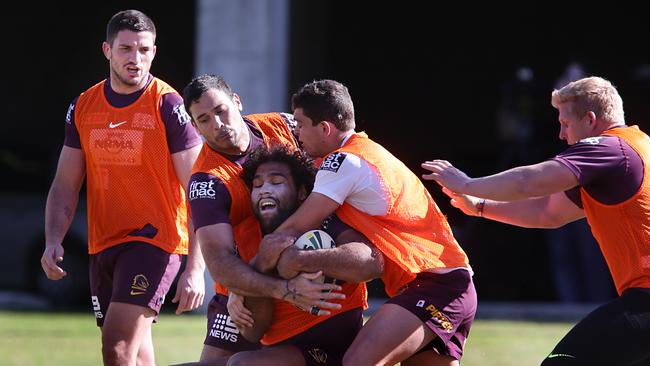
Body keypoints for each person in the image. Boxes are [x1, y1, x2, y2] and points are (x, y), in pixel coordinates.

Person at [421, 76, 650, 365]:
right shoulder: (635, 149)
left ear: (590, 120)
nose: (561, 135)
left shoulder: (608, 149)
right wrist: (480, 206)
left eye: (566, 123)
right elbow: (549, 212)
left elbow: (530, 181)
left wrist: (467, 183)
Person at [258, 79, 477, 366]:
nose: (295, 133)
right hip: (451, 285)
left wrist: (252, 281)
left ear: (325, 128)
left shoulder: (343, 162)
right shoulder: (363, 152)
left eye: (300, 124)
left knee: (357, 362)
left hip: (436, 285)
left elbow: (291, 229)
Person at [39, 9, 206, 366]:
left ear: (154, 52)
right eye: (127, 49)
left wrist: (196, 267)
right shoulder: (83, 106)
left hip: (156, 241)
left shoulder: (168, 105)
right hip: (104, 243)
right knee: (135, 354)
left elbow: (199, 188)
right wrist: (53, 239)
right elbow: (66, 184)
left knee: (116, 346)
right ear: (107, 51)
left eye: (144, 50)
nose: (136, 59)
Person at [182, 74, 347, 364]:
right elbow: (220, 263)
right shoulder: (206, 182)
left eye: (221, 111)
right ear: (195, 127)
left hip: (304, 267)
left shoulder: (283, 125)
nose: (218, 125)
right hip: (246, 286)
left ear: (237, 101)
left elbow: (341, 154)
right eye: (204, 120)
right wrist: (253, 288)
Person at [219, 145, 382, 366]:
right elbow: (253, 331)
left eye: (276, 182)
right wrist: (263, 265)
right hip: (285, 352)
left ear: (302, 192)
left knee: (242, 364)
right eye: (257, 185)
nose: (265, 190)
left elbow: (371, 263)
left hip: (339, 351)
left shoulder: (323, 219)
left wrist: (298, 260)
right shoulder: (246, 237)